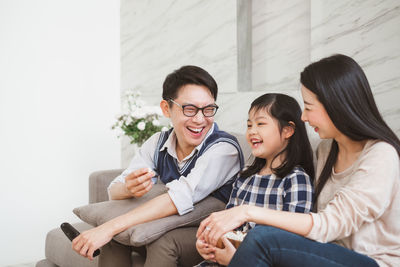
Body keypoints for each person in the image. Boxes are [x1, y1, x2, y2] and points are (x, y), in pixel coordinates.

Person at [198, 54, 400, 267]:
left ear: (336, 104)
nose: (303, 117)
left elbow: (329, 224)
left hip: (374, 263)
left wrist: (246, 212)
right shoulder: (326, 150)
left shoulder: (381, 155)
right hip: (324, 255)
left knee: (263, 238)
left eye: (309, 107)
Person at [71, 65, 244, 264]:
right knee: (115, 236)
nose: (199, 119)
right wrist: (128, 188)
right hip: (171, 224)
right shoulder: (158, 142)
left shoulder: (223, 149)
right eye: (189, 109)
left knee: (154, 239)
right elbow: (114, 192)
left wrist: (107, 228)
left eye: (208, 109)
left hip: (212, 236)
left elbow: (179, 197)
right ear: (166, 109)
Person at [195, 93, 315, 266]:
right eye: (249, 125)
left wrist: (237, 260)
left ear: (288, 130)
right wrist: (209, 243)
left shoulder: (296, 179)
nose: (252, 131)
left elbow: (292, 245)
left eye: (261, 124)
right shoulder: (245, 177)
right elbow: (228, 227)